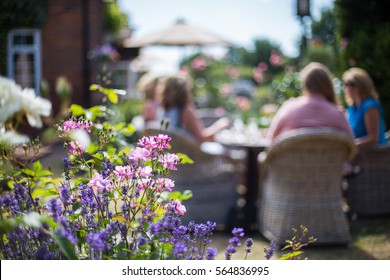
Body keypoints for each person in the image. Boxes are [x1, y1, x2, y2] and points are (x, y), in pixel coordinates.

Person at [266, 62, 354, 142]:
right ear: (328, 84)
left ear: (304, 84)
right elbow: (351, 141)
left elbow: (271, 137)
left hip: (293, 159)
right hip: (329, 159)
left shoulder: (289, 108)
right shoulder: (337, 113)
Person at [159, 74, 231, 143]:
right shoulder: (186, 110)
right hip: (190, 152)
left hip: (175, 149)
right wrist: (220, 125)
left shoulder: (167, 110)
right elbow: (202, 137)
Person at [342, 67, 387, 149]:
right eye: (346, 84)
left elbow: (373, 139)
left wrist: (351, 145)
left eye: (352, 84)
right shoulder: (352, 107)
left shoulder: (370, 106)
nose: (349, 88)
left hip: (375, 155)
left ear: (362, 86)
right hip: (359, 154)